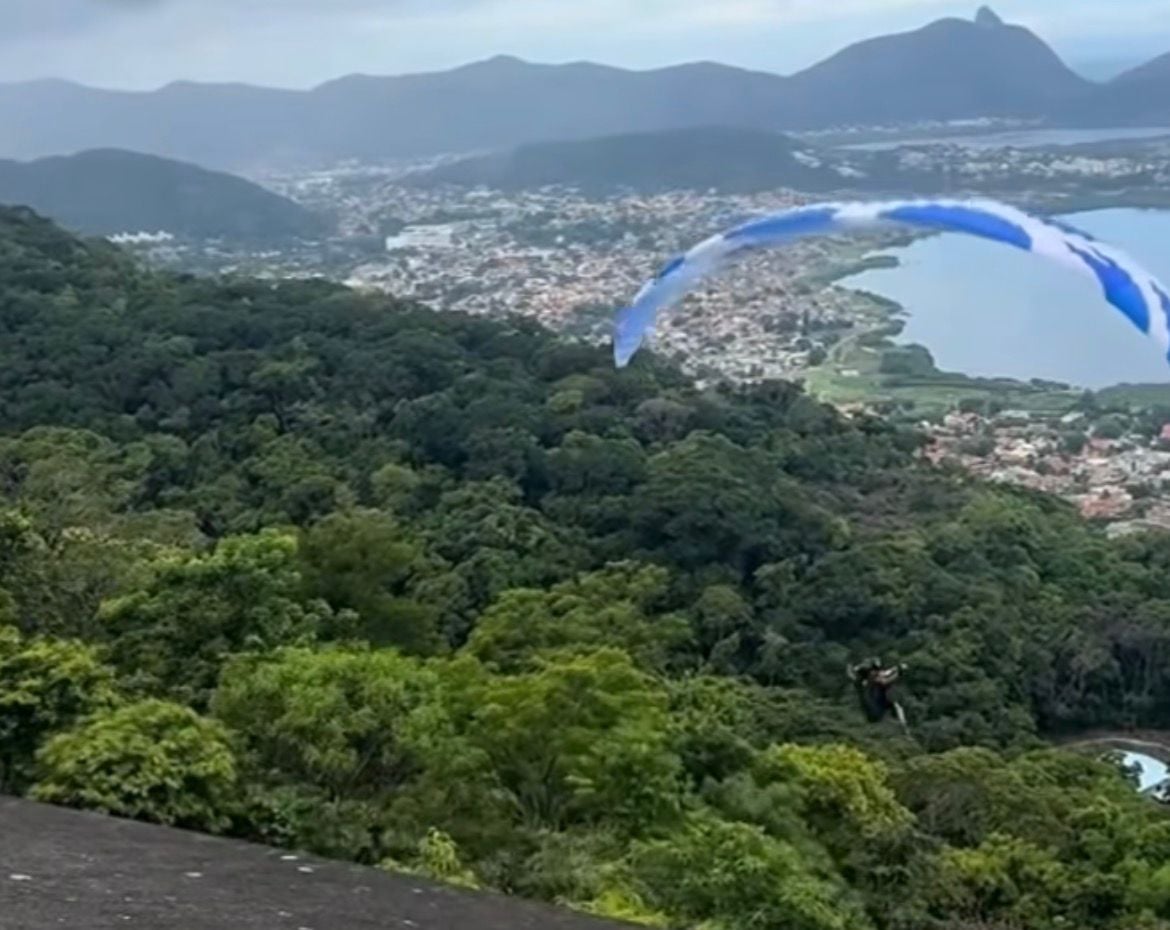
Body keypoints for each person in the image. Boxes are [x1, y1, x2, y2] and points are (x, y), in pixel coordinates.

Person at [848, 658, 908, 732]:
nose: (877, 673)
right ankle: (903, 726)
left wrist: (896, 668)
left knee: (895, 704)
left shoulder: (863, 680)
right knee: (896, 706)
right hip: (876, 710)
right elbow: (886, 679)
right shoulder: (874, 682)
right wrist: (899, 672)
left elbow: (886, 673)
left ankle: (901, 725)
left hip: (871, 709)